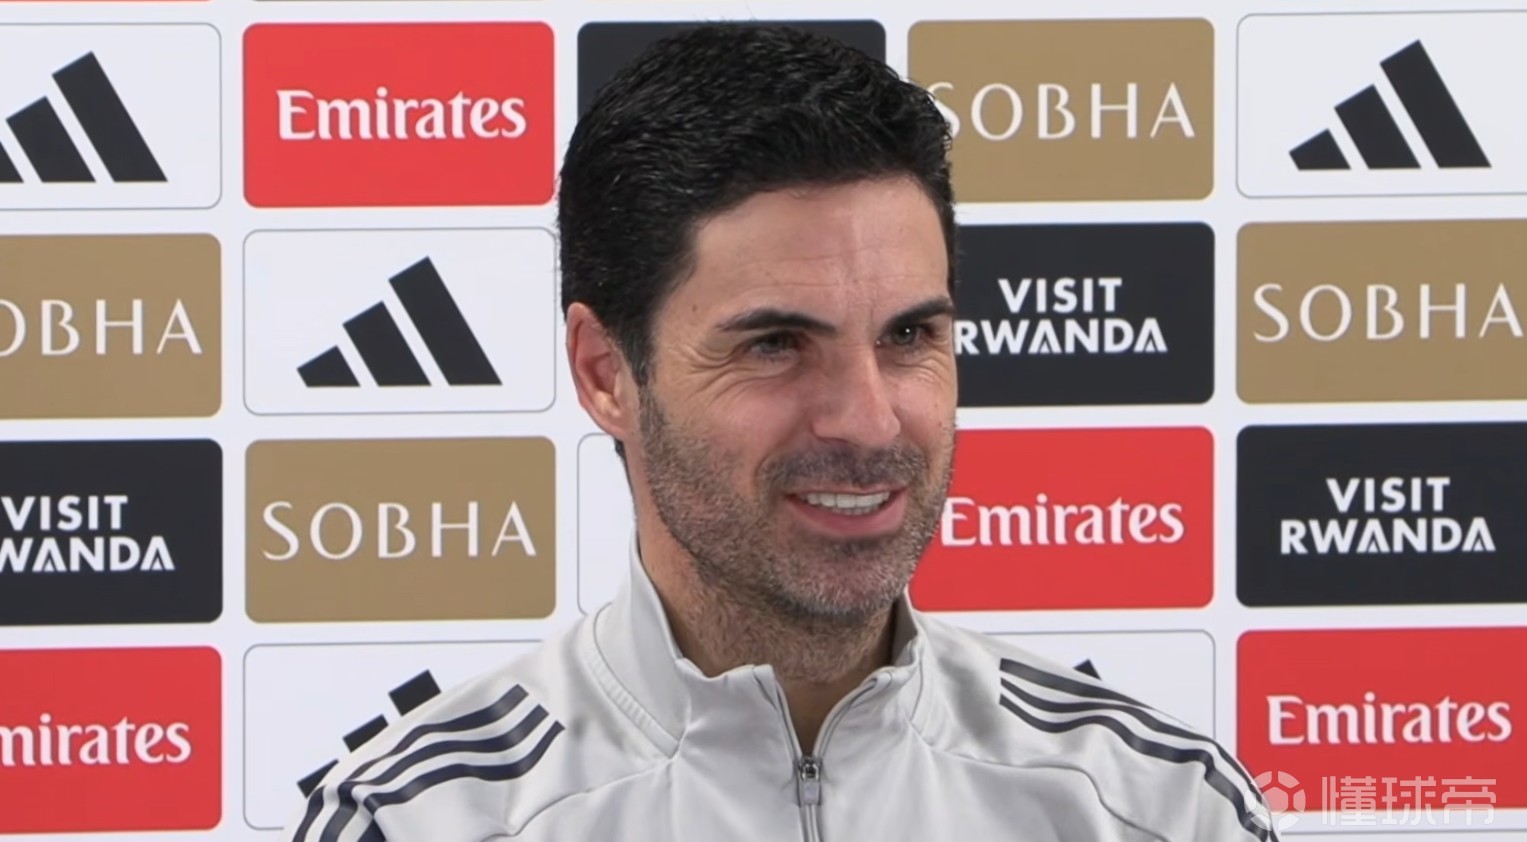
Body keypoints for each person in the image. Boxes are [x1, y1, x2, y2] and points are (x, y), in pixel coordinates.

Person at [281, 23, 1280, 842]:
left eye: (909, 336)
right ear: (605, 374)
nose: (868, 418)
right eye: (774, 345)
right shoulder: (419, 820)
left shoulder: (1158, 807)